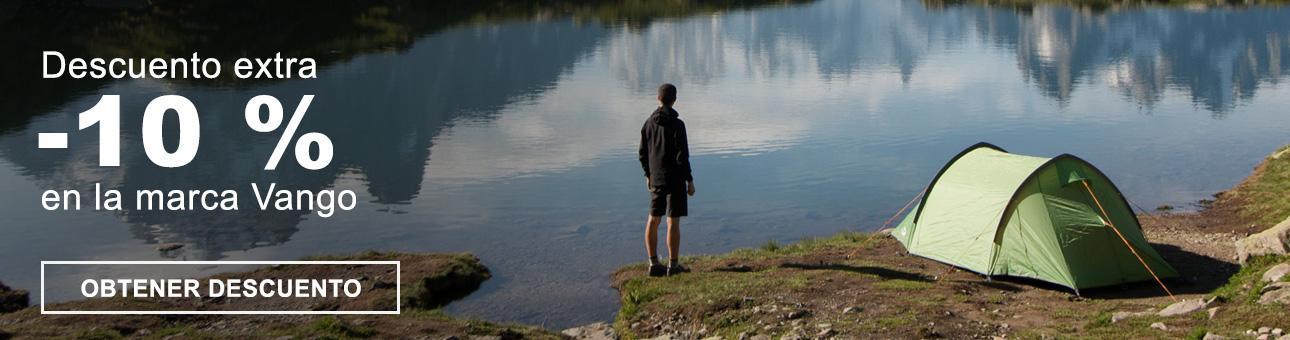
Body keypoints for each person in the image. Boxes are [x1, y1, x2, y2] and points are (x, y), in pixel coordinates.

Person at [639, 83, 696, 277]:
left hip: (656, 179)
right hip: (675, 180)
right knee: (673, 222)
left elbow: (642, 153)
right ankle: (673, 265)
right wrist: (689, 180)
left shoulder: (648, 123)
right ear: (674, 100)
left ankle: (653, 263)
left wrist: (648, 175)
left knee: (653, 219)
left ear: (658, 98)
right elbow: (682, 156)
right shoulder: (678, 125)